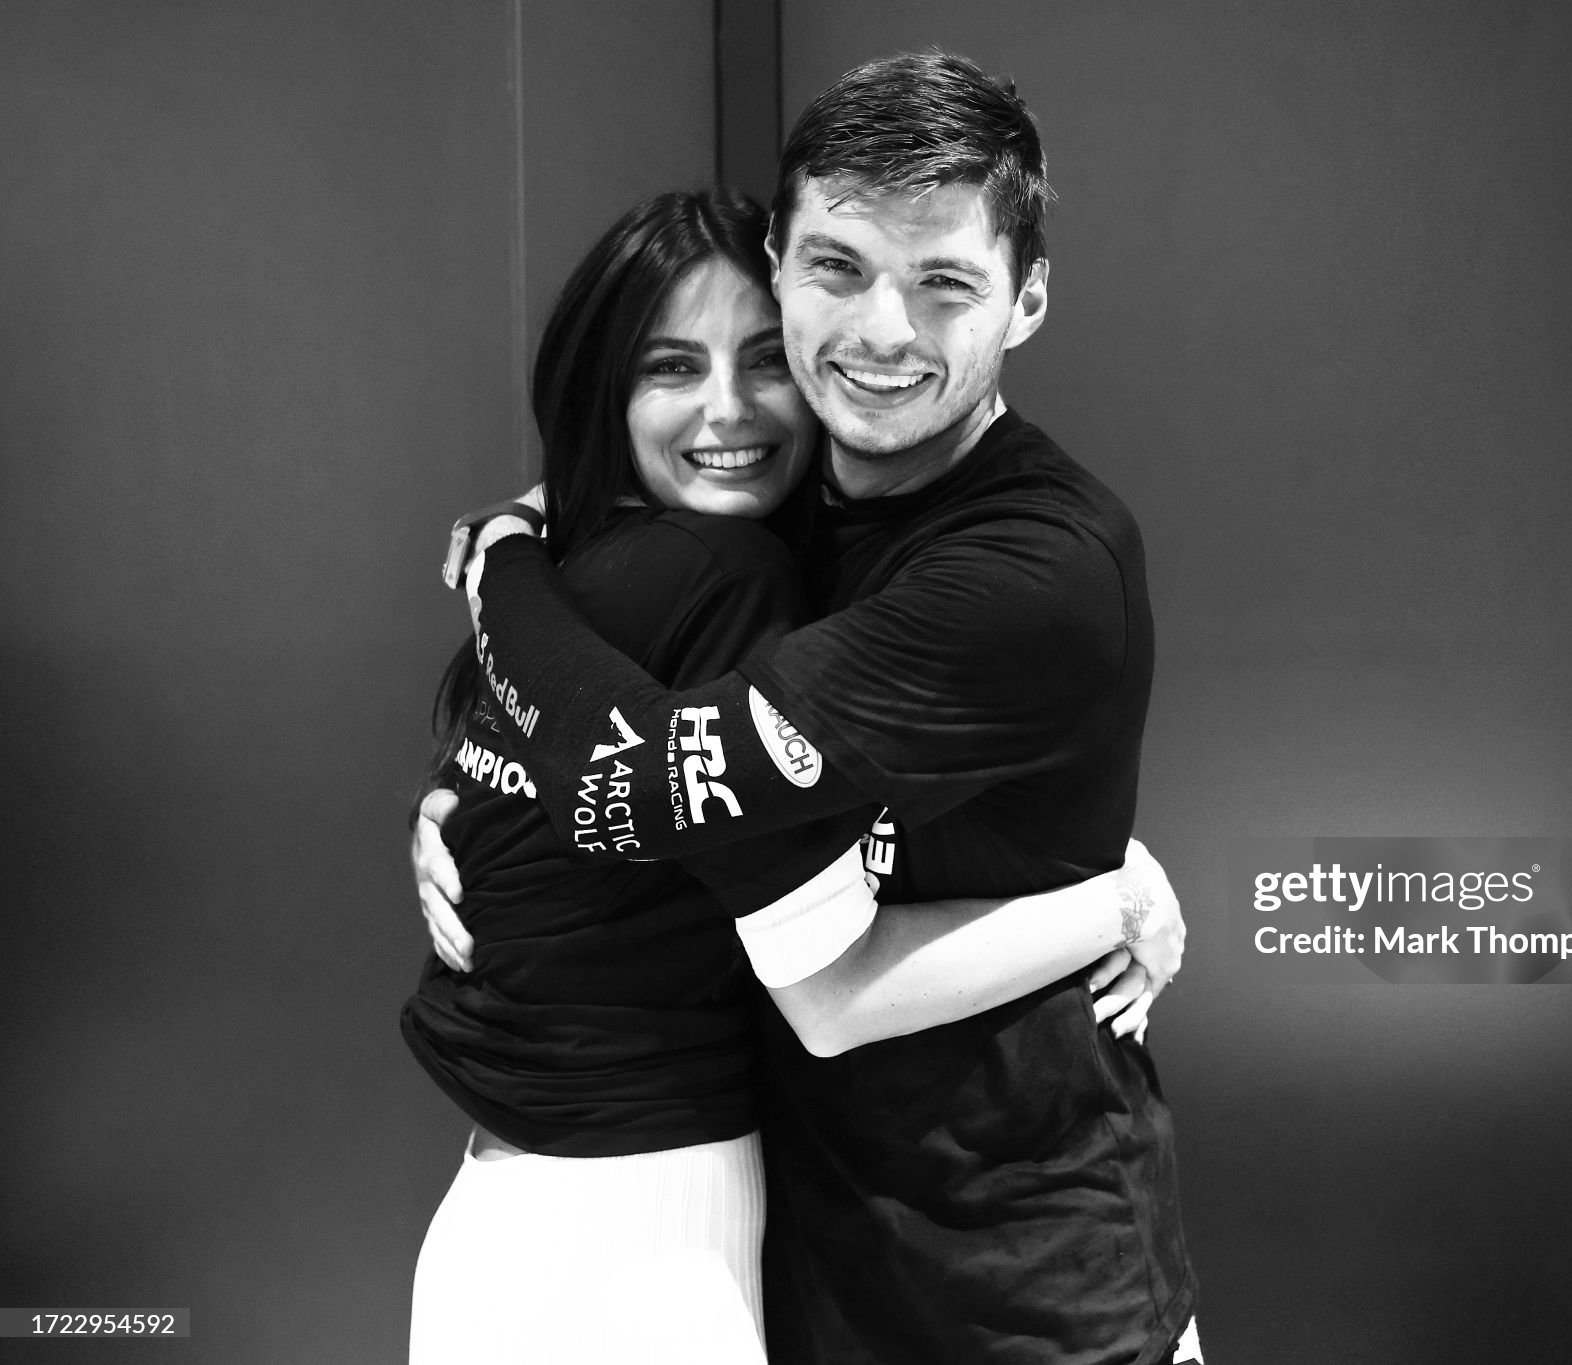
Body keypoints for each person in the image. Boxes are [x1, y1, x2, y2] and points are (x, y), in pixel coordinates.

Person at [420, 52, 1202, 1363]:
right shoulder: (784, 521)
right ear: (780, 259)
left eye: (943, 281)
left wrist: (500, 561)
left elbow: (657, 798)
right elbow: (574, 755)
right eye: (839, 266)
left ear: (1028, 301)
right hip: (808, 1277)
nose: (882, 332)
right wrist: (458, 803)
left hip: (1031, 1304)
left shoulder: (1031, 568)